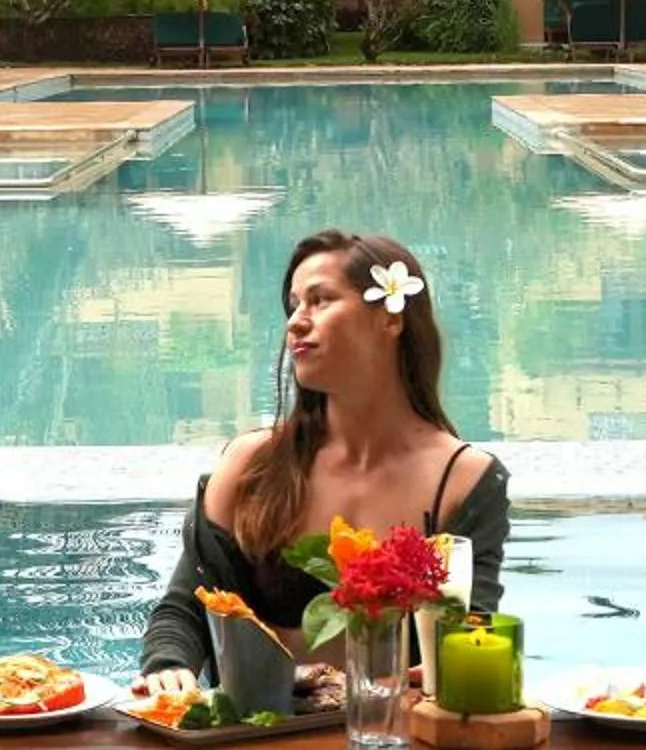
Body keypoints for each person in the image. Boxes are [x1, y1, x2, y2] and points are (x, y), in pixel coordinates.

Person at [137, 229, 509, 696]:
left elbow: (473, 632)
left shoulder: (463, 482)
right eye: (294, 305)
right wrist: (168, 666)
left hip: (389, 736)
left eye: (320, 300)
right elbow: (185, 605)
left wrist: (456, 667)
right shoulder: (252, 465)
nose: (296, 322)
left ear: (391, 319)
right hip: (256, 736)